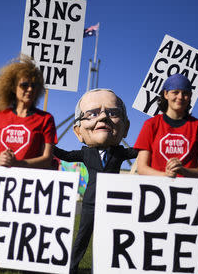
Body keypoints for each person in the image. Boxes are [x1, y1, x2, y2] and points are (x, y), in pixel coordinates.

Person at [53, 88, 137, 274]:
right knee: (82, 237)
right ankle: (70, 268)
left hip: (114, 203)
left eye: (113, 112)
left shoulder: (120, 153)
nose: (103, 118)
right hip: (91, 203)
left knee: (109, 240)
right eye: (92, 114)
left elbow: (140, 150)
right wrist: (46, 144)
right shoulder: (86, 153)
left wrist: (157, 137)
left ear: (125, 128)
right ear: (78, 132)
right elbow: (65, 155)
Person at [0, 55, 57, 169]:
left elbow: (47, 159)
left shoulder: (46, 119)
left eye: (34, 85)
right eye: (24, 85)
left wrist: (17, 164)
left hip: (28, 182)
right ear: (13, 87)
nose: (30, 89)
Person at [134, 73, 198, 178]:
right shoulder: (151, 125)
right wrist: (166, 175)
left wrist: (183, 171)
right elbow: (142, 168)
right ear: (166, 94)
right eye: (175, 92)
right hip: (156, 189)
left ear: (190, 96)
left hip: (189, 190)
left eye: (185, 93)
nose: (180, 97)